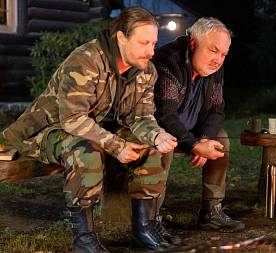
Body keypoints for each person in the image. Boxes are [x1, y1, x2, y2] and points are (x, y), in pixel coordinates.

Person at [1, 7, 179, 252]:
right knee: (85, 148)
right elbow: (73, 119)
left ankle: (142, 228)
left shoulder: (146, 71)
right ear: (121, 38)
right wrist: (117, 145)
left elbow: (141, 117)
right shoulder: (86, 60)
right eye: (144, 42)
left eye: (154, 43)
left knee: (151, 147)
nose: (151, 51)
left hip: (95, 129)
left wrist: (156, 134)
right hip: (49, 129)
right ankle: (84, 240)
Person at [152, 17, 245, 232]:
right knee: (165, 143)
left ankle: (211, 210)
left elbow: (216, 109)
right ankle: (151, 218)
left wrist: (205, 138)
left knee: (220, 139)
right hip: (160, 128)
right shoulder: (169, 61)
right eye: (213, 50)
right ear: (193, 43)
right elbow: (165, 115)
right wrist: (194, 145)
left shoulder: (214, 67)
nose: (218, 60)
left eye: (224, 54)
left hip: (192, 128)